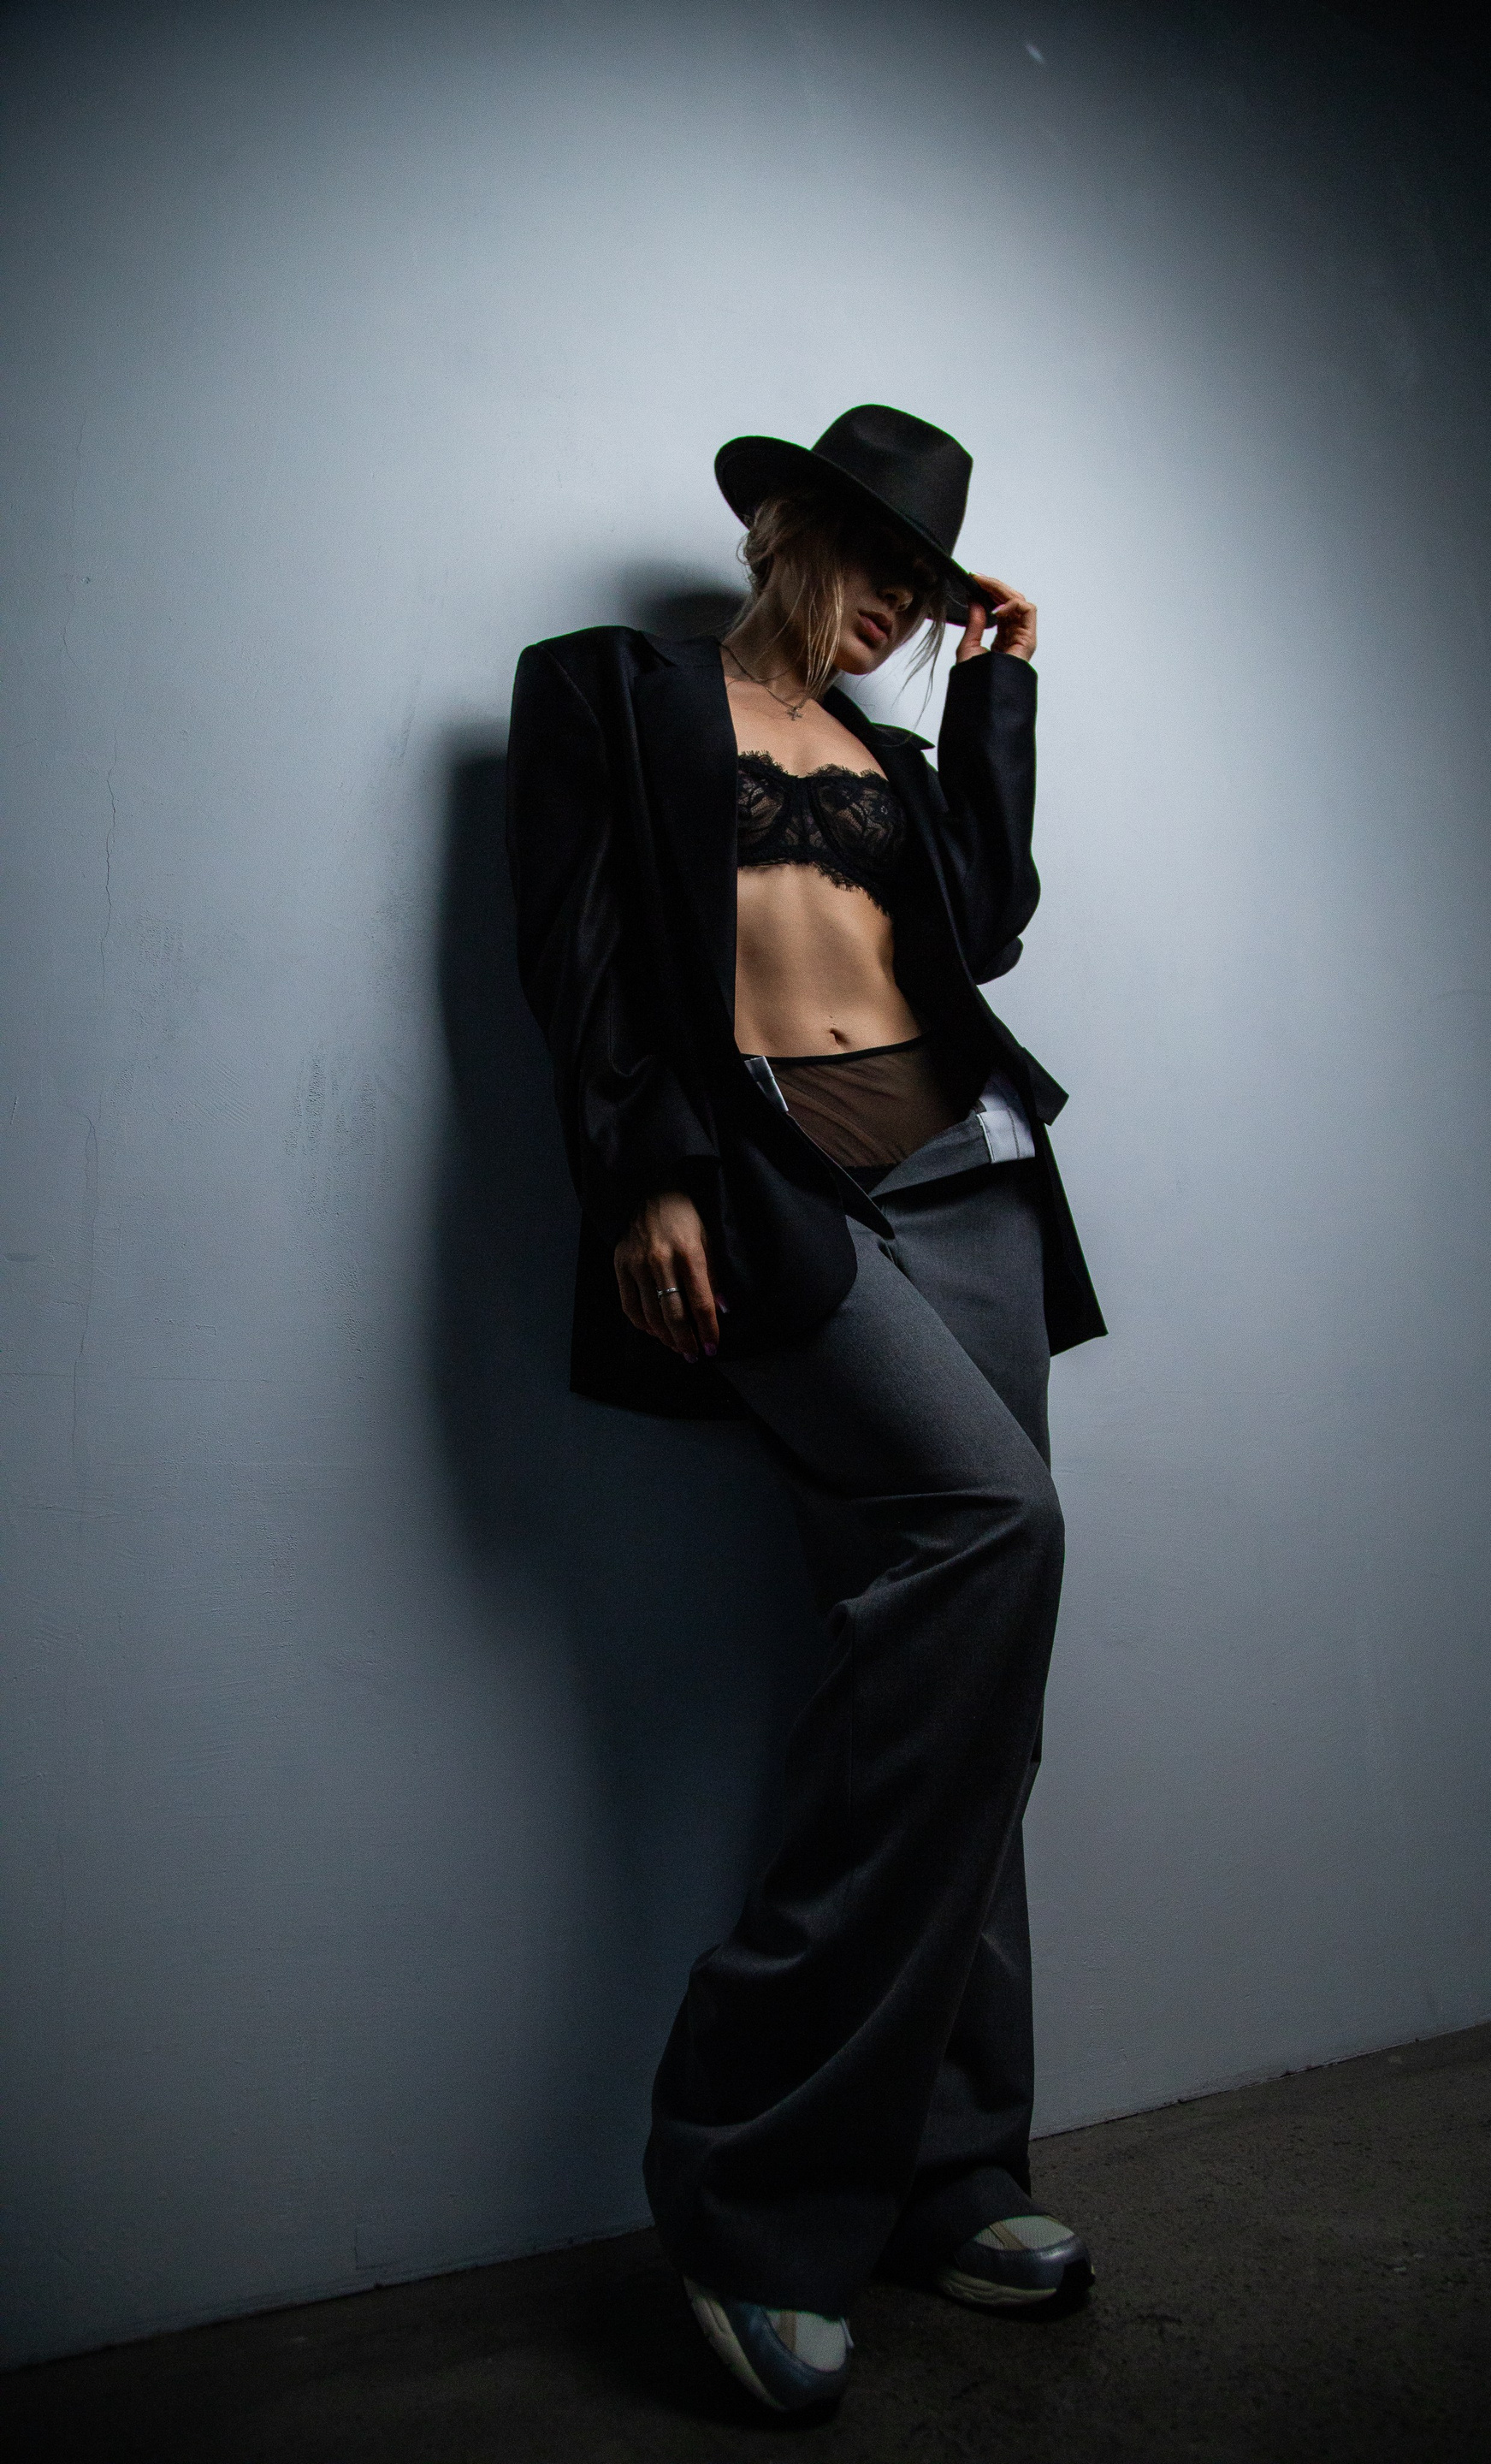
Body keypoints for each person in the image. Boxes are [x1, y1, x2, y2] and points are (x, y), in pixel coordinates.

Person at [505, 404, 1106, 2414]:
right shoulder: (615, 692)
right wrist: (648, 1176)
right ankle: (754, 2190)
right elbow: (581, 958)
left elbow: (984, 924)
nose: (893, 613)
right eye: (874, 569)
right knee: (994, 1538)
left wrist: (1001, 686)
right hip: (779, 1182)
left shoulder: (900, 757)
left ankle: (952, 2167)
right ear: (783, 529)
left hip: (966, 1176)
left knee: (979, 1667)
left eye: (925, 594)